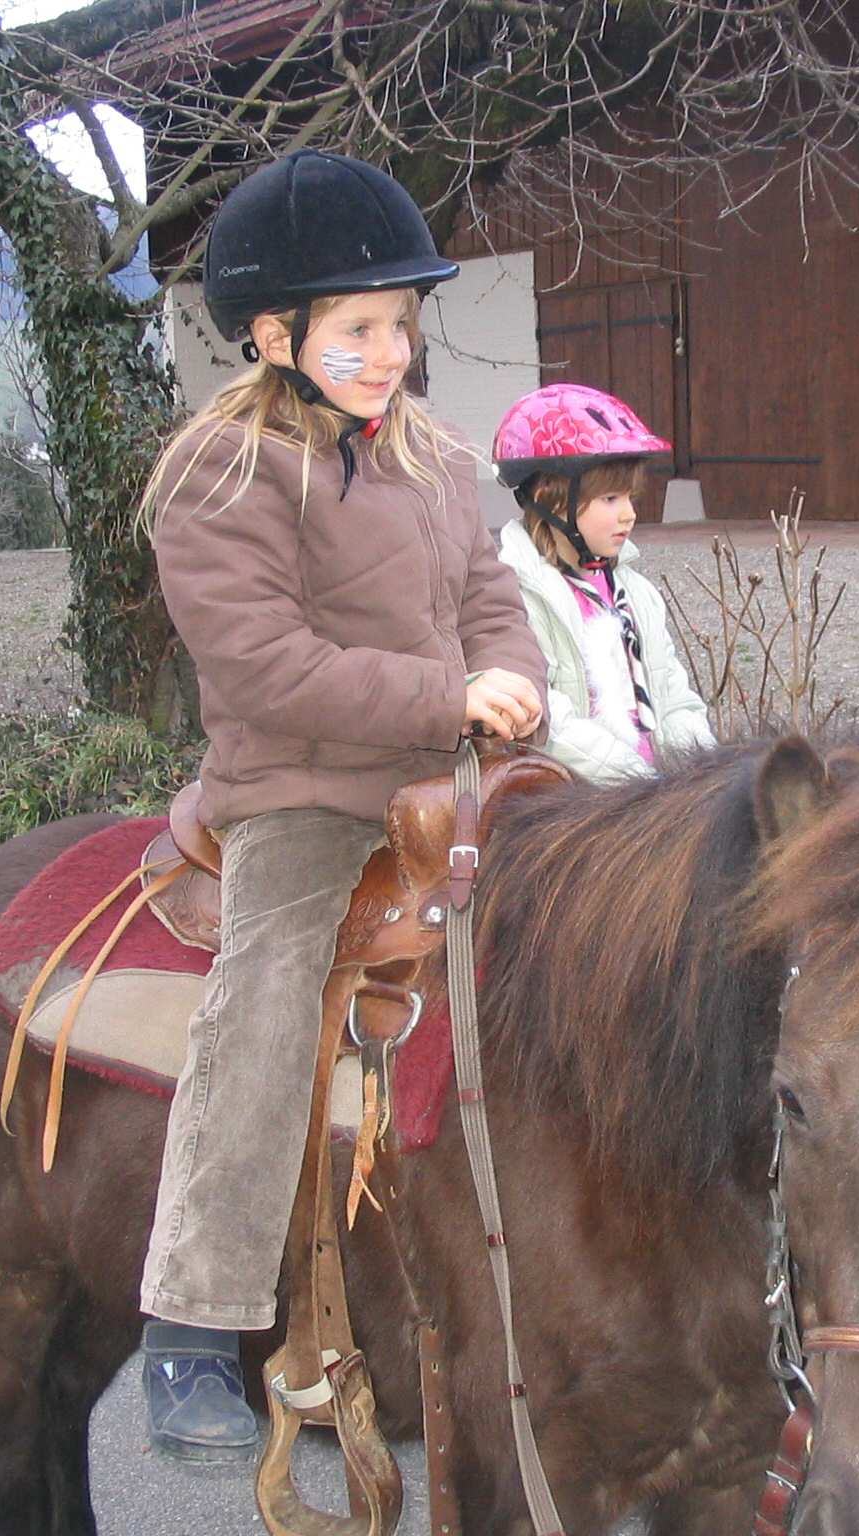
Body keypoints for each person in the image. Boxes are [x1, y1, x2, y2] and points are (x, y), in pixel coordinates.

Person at [135, 148, 547, 1461]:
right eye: (358, 328)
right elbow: (264, 665)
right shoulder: (220, 473)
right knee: (266, 996)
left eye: (401, 325)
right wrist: (447, 695)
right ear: (275, 335)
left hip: (452, 776)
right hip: (305, 794)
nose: (389, 352)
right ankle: (192, 1319)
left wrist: (514, 686)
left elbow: (491, 599)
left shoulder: (431, 455)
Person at [490, 383, 715, 783]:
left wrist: (698, 777)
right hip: (580, 798)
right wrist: (634, 779)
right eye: (610, 499)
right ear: (551, 499)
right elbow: (549, 718)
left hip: (651, 791)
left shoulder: (637, 595)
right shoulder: (519, 597)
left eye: (630, 498)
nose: (629, 514)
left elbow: (675, 698)